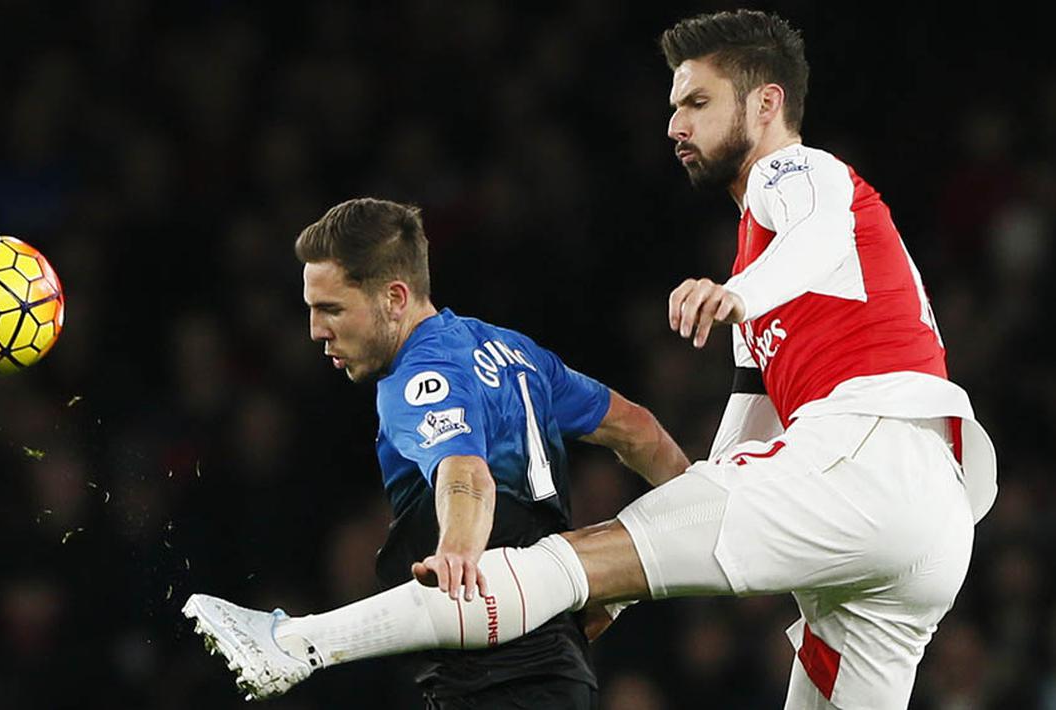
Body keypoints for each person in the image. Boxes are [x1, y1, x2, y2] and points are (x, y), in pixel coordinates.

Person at [184, 10, 997, 708]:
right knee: (589, 566)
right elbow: (728, 466)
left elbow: (816, 238)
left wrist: (736, 291)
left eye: (696, 103)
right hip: (921, 527)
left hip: (865, 454)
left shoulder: (797, 173)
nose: (674, 125)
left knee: (560, 562)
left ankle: (296, 642)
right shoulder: (779, 281)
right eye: (673, 106)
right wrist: (632, 577)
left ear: (766, 102)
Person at [184, 197, 689, 706]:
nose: (316, 330)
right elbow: (637, 428)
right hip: (546, 666)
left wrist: (458, 552)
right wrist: (702, 505)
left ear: (395, 298)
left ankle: (294, 642)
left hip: (500, 676)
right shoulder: (513, 352)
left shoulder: (419, 377)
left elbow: (465, 473)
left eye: (331, 309)